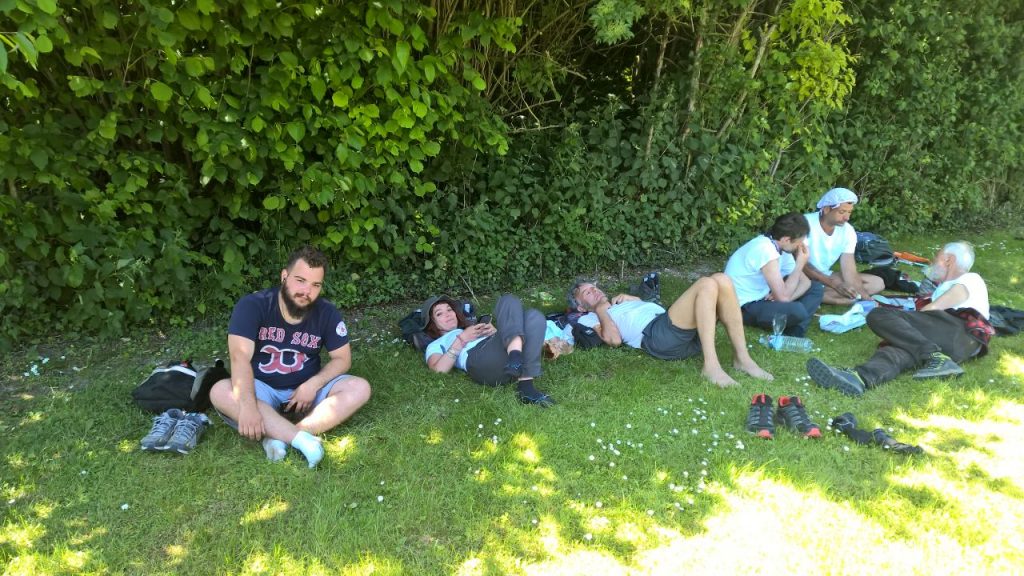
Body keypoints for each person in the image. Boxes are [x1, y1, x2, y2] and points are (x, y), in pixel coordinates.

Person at [208, 246, 372, 468]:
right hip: (261, 389)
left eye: (315, 285)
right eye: (300, 280)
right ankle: (301, 440)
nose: (307, 291)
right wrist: (247, 406)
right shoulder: (253, 305)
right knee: (220, 391)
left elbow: (343, 359)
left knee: (359, 387)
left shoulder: (326, 312)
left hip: (306, 391)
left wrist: (313, 384)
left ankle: (281, 434)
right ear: (284, 276)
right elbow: (239, 357)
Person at [806, 241, 993, 396]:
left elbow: (934, 309)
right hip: (953, 346)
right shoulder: (946, 286)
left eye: (937, 256)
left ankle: (934, 356)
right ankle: (859, 378)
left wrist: (901, 324)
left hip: (958, 330)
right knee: (900, 348)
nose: (933, 261)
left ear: (948, 260)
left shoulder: (970, 278)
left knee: (878, 314)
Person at [567, 275, 773, 388]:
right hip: (657, 336)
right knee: (706, 283)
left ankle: (742, 358)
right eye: (587, 292)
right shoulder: (588, 318)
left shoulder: (619, 302)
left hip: (676, 328)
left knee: (723, 279)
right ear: (581, 307)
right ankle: (711, 366)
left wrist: (635, 300)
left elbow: (652, 310)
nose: (594, 290)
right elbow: (613, 340)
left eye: (594, 287)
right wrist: (601, 310)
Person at [422, 294, 555, 407]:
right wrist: (462, 339)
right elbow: (438, 370)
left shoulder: (470, 328)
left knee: (534, 315)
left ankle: (526, 386)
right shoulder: (436, 344)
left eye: (449, 310)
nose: (448, 314)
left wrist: (494, 332)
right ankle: (516, 357)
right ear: (432, 323)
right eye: (439, 313)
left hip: (503, 361)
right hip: (480, 360)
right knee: (508, 299)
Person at [724, 212, 824, 337]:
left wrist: (785, 299)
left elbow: (805, 282)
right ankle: (794, 326)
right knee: (797, 310)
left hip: (762, 297)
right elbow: (783, 298)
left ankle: (796, 328)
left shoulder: (781, 247)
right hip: (743, 306)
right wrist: (799, 265)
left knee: (816, 288)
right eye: (798, 243)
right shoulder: (765, 250)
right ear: (786, 239)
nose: (799, 247)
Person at [802, 188, 885, 305]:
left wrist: (866, 298)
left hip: (824, 276)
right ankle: (817, 296)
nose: (847, 217)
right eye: (842, 212)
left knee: (877, 283)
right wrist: (835, 285)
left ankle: (817, 296)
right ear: (826, 209)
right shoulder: (804, 223)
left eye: (849, 212)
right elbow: (803, 265)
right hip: (798, 276)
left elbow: (849, 270)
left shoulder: (848, 231)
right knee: (843, 292)